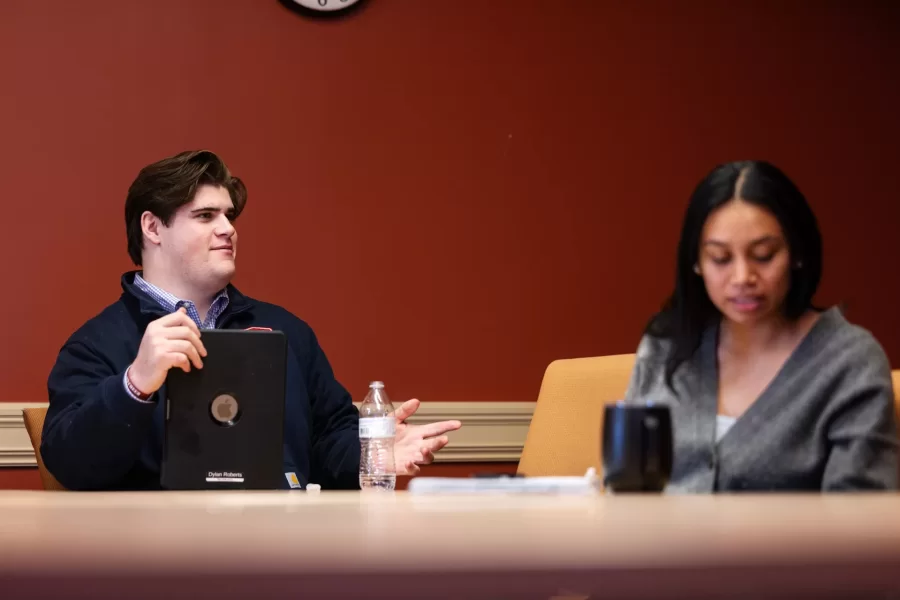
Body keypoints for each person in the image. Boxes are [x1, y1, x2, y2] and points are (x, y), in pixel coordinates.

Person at [43, 150, 461, 491]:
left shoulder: (287, 331)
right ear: (153, 227)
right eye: (206, 216)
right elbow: (72, 465)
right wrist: (134, 385)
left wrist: (374, 453)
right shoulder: (96, 344)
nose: (228, 228)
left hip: (281, 556)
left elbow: (327, 443)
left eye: (230, 216)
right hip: (157, 564)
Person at [624, 160, 898, 492]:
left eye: (764, 255)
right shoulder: (665, 345)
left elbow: (861, 519)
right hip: (654, 544)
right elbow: (626, 488)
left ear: (797, 254)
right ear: (695, 262)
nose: (742, 278)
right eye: (721, 259)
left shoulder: (849, 363)